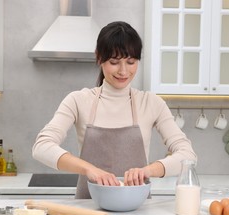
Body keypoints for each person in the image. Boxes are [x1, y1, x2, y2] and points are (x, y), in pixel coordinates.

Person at [32, 21, 197, 199]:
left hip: (138, 212)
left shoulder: (151, 103)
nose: (123, 71)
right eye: (114, 62)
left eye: (131, 62)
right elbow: (41, 147)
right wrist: (89, 169)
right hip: (89, 211)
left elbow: (188, 156)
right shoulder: (78, 100)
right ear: (99, 58)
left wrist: (148, 171)